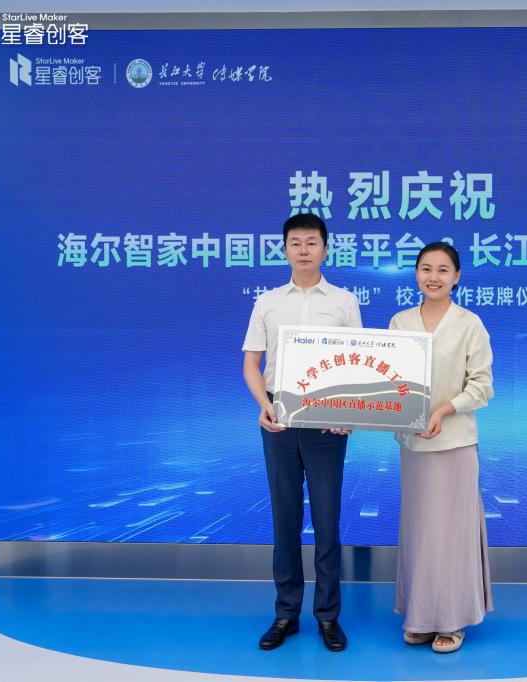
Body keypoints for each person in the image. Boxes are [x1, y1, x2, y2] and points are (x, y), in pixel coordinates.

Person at [242, 213, 362, 652]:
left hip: (328, 420)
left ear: (326, 249)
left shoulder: (344, 301)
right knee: (285, 518)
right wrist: (264, 404)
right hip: (279, 417)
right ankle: (286, 614)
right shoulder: (268, 302)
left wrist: (348, 411)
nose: (304, 249)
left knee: (327, 521)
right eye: (296, 242)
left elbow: (358, 362)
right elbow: (251, 364)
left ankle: (328, 616)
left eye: (312, 242)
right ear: (285, 249)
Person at [388, 241, 494, 654]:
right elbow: (388, 381)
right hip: (414, 443)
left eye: (443, 270)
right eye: (426, 268)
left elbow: (482, 385)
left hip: (455, 444)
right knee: (420, 531)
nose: (433, 277)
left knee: (452, 533)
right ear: (416, 274)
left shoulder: (470, 324)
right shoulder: (400, 322)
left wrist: (445, 410)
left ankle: (451, 620)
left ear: (457, 277)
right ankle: (421, 616)